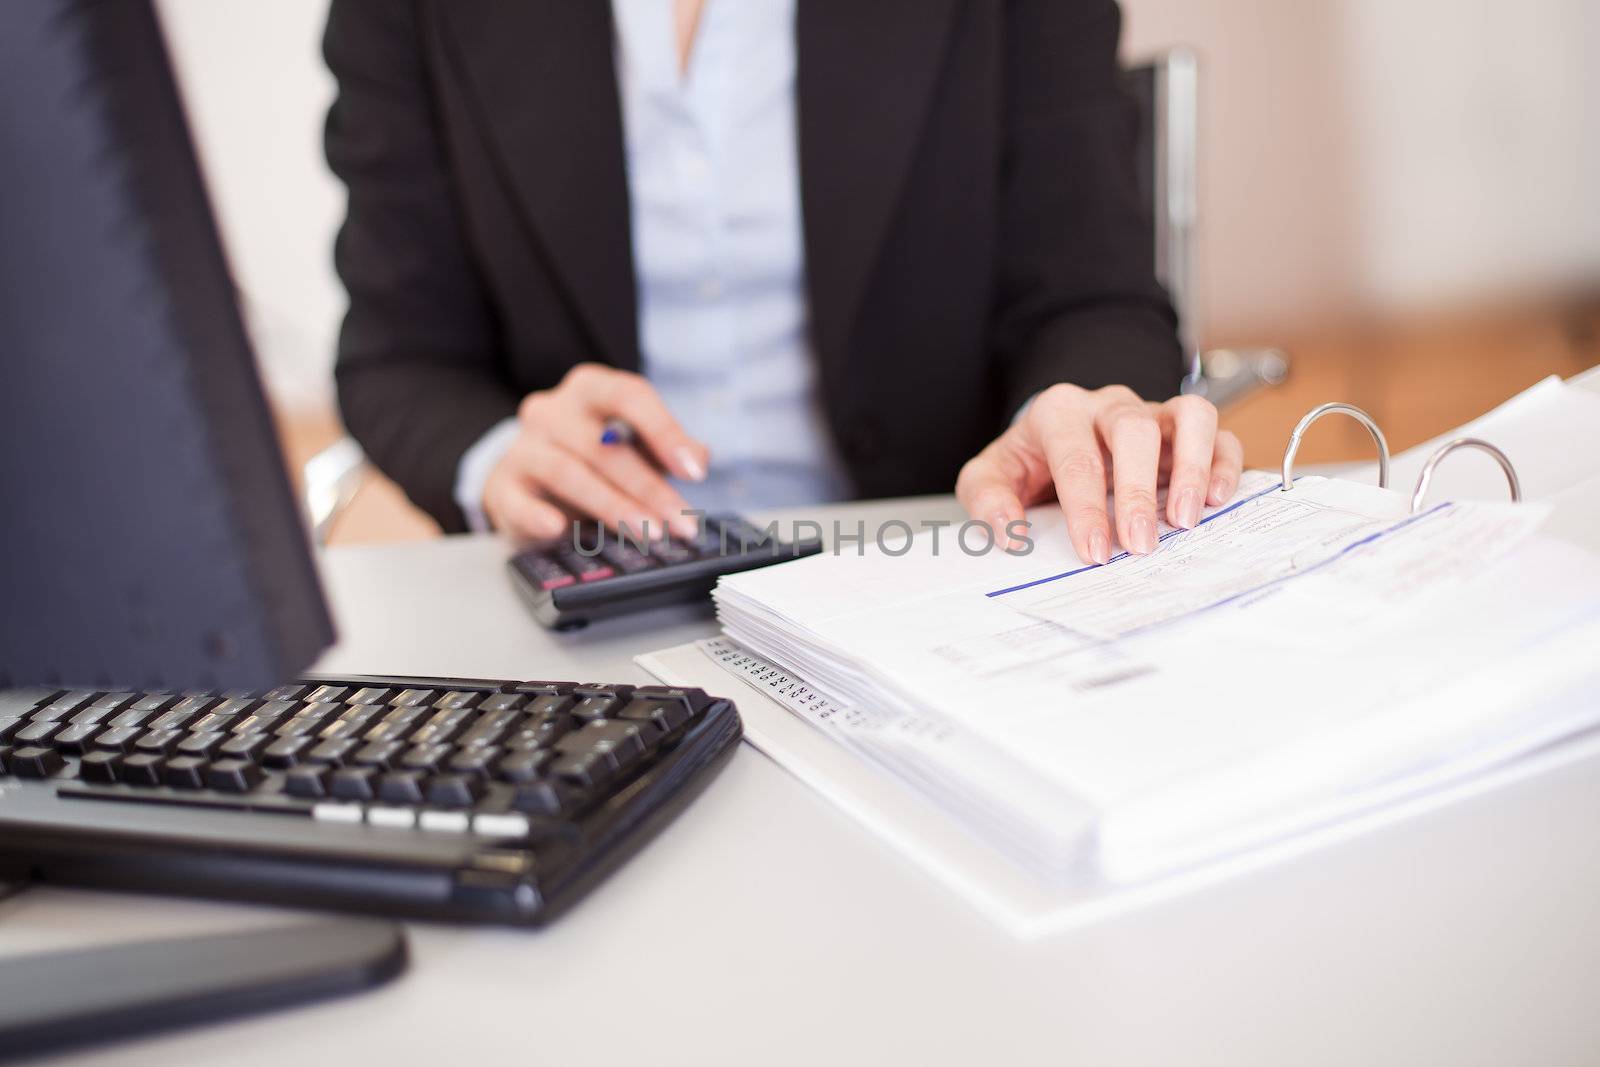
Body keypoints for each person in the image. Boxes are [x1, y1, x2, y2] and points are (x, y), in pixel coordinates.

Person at [323, 0, 1243, 564]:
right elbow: (397, 355)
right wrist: (496, 459)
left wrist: (1066, 412)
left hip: (932, 563)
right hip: (593, 587)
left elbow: (1092, 296)